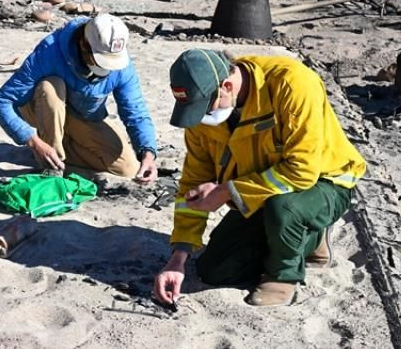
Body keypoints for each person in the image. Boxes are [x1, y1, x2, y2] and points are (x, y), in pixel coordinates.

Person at [153, 50, 366, 307]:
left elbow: (302, 170)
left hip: (323, 183)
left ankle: (283, 274)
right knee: (215, 270)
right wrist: (179, 255)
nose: (201, 117)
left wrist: (225, 192)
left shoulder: (293, 83)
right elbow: (192, 184)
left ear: (227, 86)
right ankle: (305, 240)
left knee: (284, 207)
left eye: (204, 107)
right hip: (258, 191)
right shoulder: (203, 114)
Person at [0, 14, 158, 183]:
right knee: (51, 87)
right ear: (83, 45)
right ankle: (51, 167)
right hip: (42, 108)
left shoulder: (123, 66)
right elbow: (1, 102)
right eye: (101, 61)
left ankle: (55, 152)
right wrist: (33, 142)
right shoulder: (50, 51)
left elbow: (136, 111)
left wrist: (148, 154)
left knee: (127, 169)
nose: (105, 68)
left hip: (83, 116)